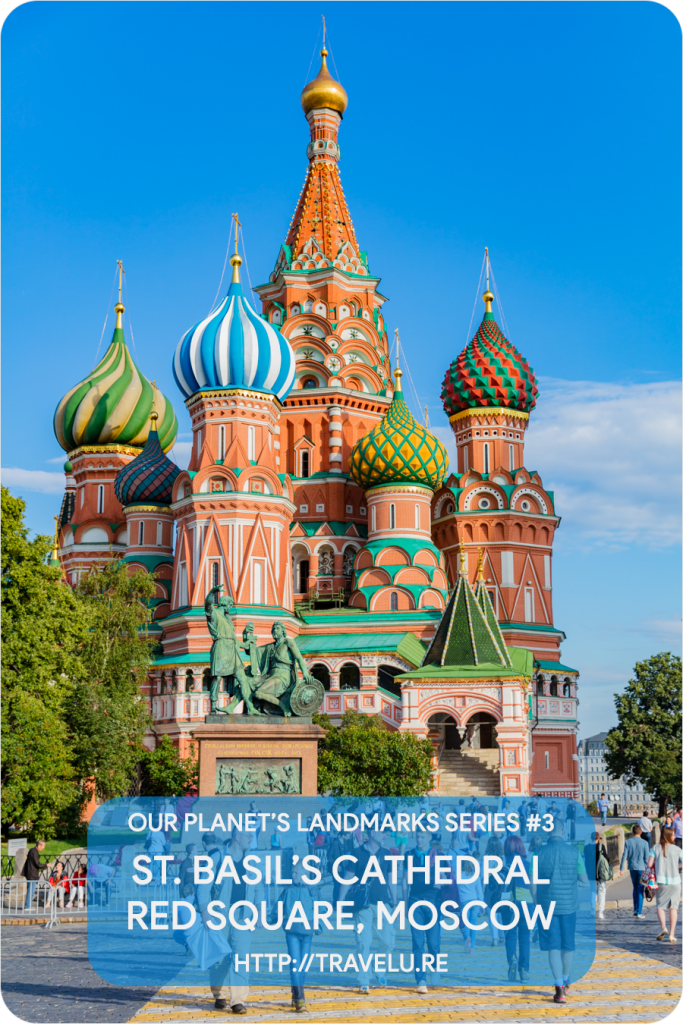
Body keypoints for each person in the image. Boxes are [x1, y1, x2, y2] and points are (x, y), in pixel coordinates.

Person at [196, 830, 264, 1014]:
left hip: (244, 914)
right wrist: (204, 911)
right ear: (237, 836)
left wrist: (258, 910)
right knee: (220, 957)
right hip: (220, 914)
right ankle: (220, 995)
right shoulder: (217, 857)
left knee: (241, 957)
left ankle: (238, 1000)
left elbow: (258, 886)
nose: (251, 838)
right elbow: (204, 886)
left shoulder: (252, 860)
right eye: (248, 835)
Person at [533, 818, 588, 1004]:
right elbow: (584, 879)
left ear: (547, 832)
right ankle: (565, 979)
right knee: (567, 945)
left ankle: (559, 989)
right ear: (563, 831)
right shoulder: (574, 852)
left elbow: (533, 883)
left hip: (546, 905)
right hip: (568, 905)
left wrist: (536, 902)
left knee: (552, 947)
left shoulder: (537, 853)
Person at [351, 828, 397, 994]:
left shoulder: (387, 854)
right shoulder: (357, 853)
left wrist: (395, 902)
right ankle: (364, 979)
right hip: (363, 905)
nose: (386, 835)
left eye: (387, 832)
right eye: (383, 832)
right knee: (364, 941)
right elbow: (348, 878)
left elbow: (392, 880)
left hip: (383, 903)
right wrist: (340, 902)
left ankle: (380, 970)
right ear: (372, 833)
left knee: (387, 940)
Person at [403, 829, 450, 994]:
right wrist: (405, 904)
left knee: (433, 942)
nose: (419, 839)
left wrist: (440, 880)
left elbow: (447, 878)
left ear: (429, 838)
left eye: (423, 837)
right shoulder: (409, 855)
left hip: (434, 901)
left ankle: (435, 967)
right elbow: (404, 880)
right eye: (418, 836)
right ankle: (421, 979)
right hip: (415, 900)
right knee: (417, 942)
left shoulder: (438, 856)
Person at [281, 862, 316, 1013]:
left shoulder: (312, 890)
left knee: (303, 967)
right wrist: (267, 919)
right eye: (292, 873)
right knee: (296, 966)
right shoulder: (288, 891)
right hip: (292, 932)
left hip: (307, 933)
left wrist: (319, 926)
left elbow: (318, 909)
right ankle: (300, 999)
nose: (293, 875)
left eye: (296, 873)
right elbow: (278, 908)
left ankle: (296, 994)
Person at [500, 835, 533, 983]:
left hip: (510, 904)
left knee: (510, 936)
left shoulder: (503, 864)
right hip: (527, 903)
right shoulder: (528, 864)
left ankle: (512, 959)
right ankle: (524, 971)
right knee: (525, 938)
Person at [647, 825, 683, 943]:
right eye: (673, 834)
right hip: (675, 881)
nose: (674, 836)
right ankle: (672, 935)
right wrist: (677, 866)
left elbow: (649, 864)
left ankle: (663, 928)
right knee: (674, 908)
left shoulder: (656, 848)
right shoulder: (677, 849)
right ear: (668, 836)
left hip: (661, 881)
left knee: (660, 906)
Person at [619, 824, 650, 917]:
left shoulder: (628, 842)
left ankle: (636, 909)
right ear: (641, 832)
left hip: (632, 868)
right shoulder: (645, 843)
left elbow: (624, 855)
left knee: (635, 888)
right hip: (642, 869)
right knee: (640, 889)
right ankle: (639, 912)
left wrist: (621, 868)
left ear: (632, 832)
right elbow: (646, 858)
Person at [483, 835, 505, 947]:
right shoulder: (502, 857)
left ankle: (494, 939)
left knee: (492, 914)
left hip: (490, 889)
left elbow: (484, 876)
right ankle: (502, 936)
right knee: (500, 913)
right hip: (501, 888)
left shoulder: (486, 857)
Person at [584, 831, 611, 919]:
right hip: (600, 872)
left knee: (593, 891)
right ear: (598, 838)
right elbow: (606, 858)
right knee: (602, 891)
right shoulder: (601, 846)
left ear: (591, 838)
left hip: (591, 872)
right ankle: (600, 912)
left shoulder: (586, 848)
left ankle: (592, 909)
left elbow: (586, 860)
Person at [22, 840, 51, 909]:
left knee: (31, 890)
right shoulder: (34, 852)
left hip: (31, 873)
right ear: (39, 845)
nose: (43, 848)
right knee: (31, 890)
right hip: (32, 874)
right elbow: (37, 863)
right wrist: (46, 866)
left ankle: (28, 905)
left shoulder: (33, 851)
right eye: (43, 846)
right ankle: (27, 906)